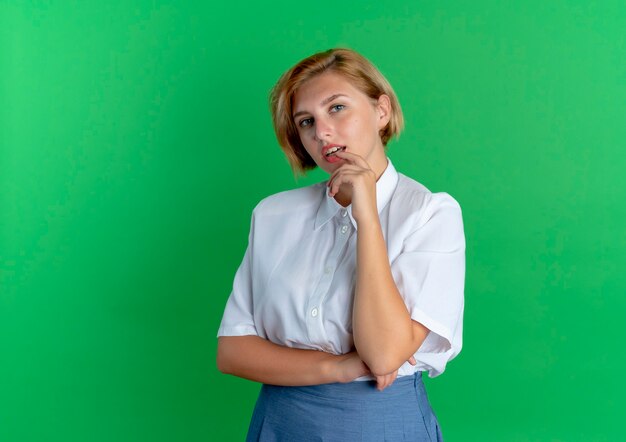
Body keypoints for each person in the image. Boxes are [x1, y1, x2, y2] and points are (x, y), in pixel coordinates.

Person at [217, 48, 465, 441]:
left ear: (381, 111)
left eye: (337, 108)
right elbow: (232, 351)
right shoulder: (272, 215)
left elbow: (384, 355)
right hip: (280, 422)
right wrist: (339, 368)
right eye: (306, 121)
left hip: (380, 423)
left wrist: (366, 216)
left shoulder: (430, 215)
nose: (322, 132)